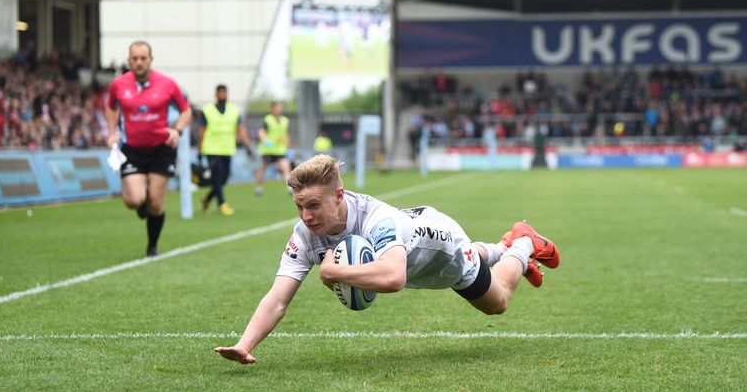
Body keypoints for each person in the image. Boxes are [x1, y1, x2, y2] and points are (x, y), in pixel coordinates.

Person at [214, 154, 560, 364]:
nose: (305, 216)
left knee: (496, 302)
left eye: (313, 205)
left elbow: (393, 278)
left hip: (443, 252)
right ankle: (502, 245)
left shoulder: (377, 218)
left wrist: (336, 272)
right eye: (299, 206)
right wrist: (244, 345)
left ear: (338, 195)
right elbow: (277, 297)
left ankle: (523, 245)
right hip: (415, 247)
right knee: (480, 253)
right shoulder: (306, 232)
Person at [105, 41, 191, 257]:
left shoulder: (168, 84)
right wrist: (112, 132)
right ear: (129, 61)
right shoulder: (119, 85)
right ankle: (140, 204)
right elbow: (111, 107)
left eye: (143, 58)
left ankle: (152, 246)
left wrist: (177, 131)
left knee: (155, 201)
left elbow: (185, 110)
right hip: (132, 149)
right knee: (133, 200)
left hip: (161, 149)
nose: (139, 62)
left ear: (151, 60)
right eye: (135, 58)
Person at [198, 84, 252, 216]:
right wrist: (200, 149)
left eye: (224, 93)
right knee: (216, 176)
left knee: (223, 179)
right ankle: (222, 203)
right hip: (211, 149)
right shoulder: (207, 110)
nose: (222, 95)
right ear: (216, 94)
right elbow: (201, 131)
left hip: (227, 149)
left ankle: (207, 199)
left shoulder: (234, 110)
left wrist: (247, 146)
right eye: (220, 93)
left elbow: (240, 129)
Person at [254, 101, 293, 196]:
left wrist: (289, 145)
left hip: (280, 150)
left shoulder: (285, 120)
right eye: (277, 107)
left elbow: (285, 134)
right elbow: (261, 131)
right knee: (263, 168)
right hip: (268, 150)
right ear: (273, 109)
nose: (279, 109)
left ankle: (289, 187)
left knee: (286, 166)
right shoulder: (268, 119)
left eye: (280, 107)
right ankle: (258, 187)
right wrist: (265, 140)